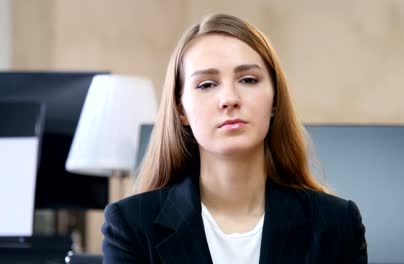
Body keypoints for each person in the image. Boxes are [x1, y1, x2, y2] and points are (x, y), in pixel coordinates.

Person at [102, 13, 367, 264]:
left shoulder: (337, 224)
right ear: (181, 109)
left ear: (275, 100)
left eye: (248, 80)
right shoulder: (130, 225)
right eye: (206, 84)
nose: (229, 99)